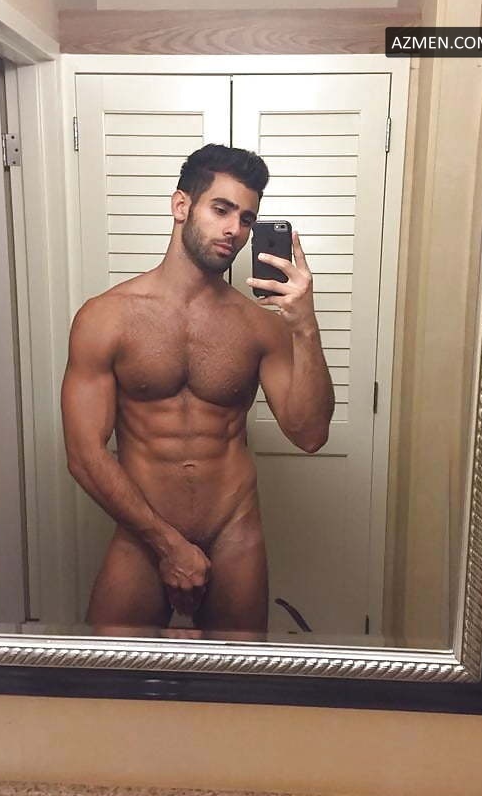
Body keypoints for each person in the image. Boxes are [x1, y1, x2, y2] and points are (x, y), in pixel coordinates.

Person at [61, 144, 334, 633]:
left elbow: (310, 433)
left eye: (247, 218)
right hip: (144, 532)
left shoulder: (261, 325)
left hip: (234, 532)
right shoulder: (106, 317)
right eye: (221, 209)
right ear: (181, 205)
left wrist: (305, 326)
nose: (235, 230)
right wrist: (167, 544)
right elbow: (84, 455)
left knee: (238, 677)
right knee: (109, 673)